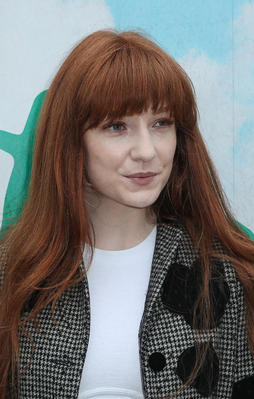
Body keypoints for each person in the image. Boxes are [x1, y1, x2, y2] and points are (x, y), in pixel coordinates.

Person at [0, 29, 254, 399]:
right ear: (71, 142)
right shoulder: (11, 273)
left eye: (161, 123)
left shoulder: (229, 274)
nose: (147, 151)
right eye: (117, 126)